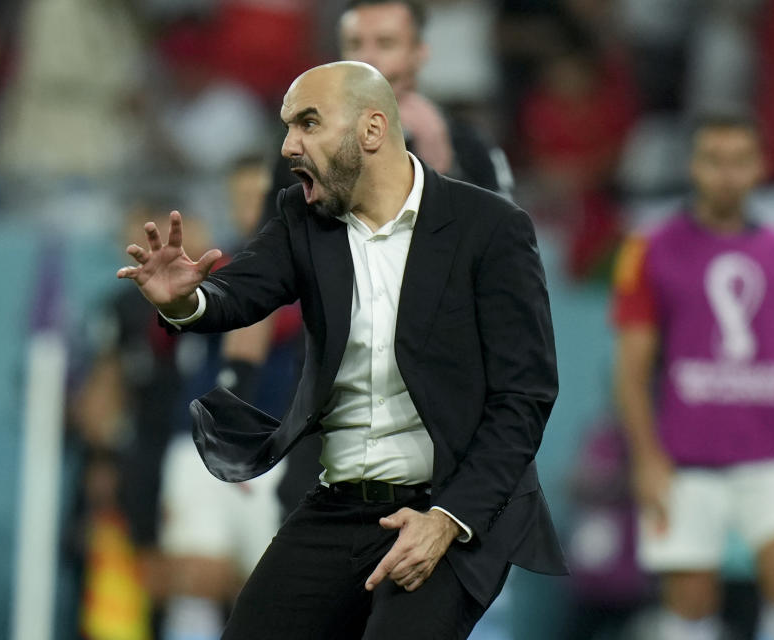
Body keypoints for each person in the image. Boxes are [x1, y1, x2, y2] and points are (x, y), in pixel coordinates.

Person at [117, 61, 565, 639]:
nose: (288, 145)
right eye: (286, 126)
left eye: (307, 123)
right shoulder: (302, 219)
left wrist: (448, 520)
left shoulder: (489, 228)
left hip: (445, 510)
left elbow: (524, 397)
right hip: (338, 505)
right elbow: (239, 292)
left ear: (371, 130)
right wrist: (184, 301)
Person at [221, 0, 516, 517]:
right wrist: (239, 394)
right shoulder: (298, 150)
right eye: (356, 46)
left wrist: (441, 166)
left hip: (440, 409)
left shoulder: (470, 153)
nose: (370, 61)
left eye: (386, 44)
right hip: (332, 399)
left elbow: (504, 290)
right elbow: (264, 272)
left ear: (419, 53)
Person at [612, 112, 774, 640]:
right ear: (693, 166)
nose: (726, 174)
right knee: (688, 604)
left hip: (767, 455)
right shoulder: (652, 248)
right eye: (713, 160)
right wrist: (646, 461)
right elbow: (631, 371)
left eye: (738, 161)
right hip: (682, 460)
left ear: (759, 167)